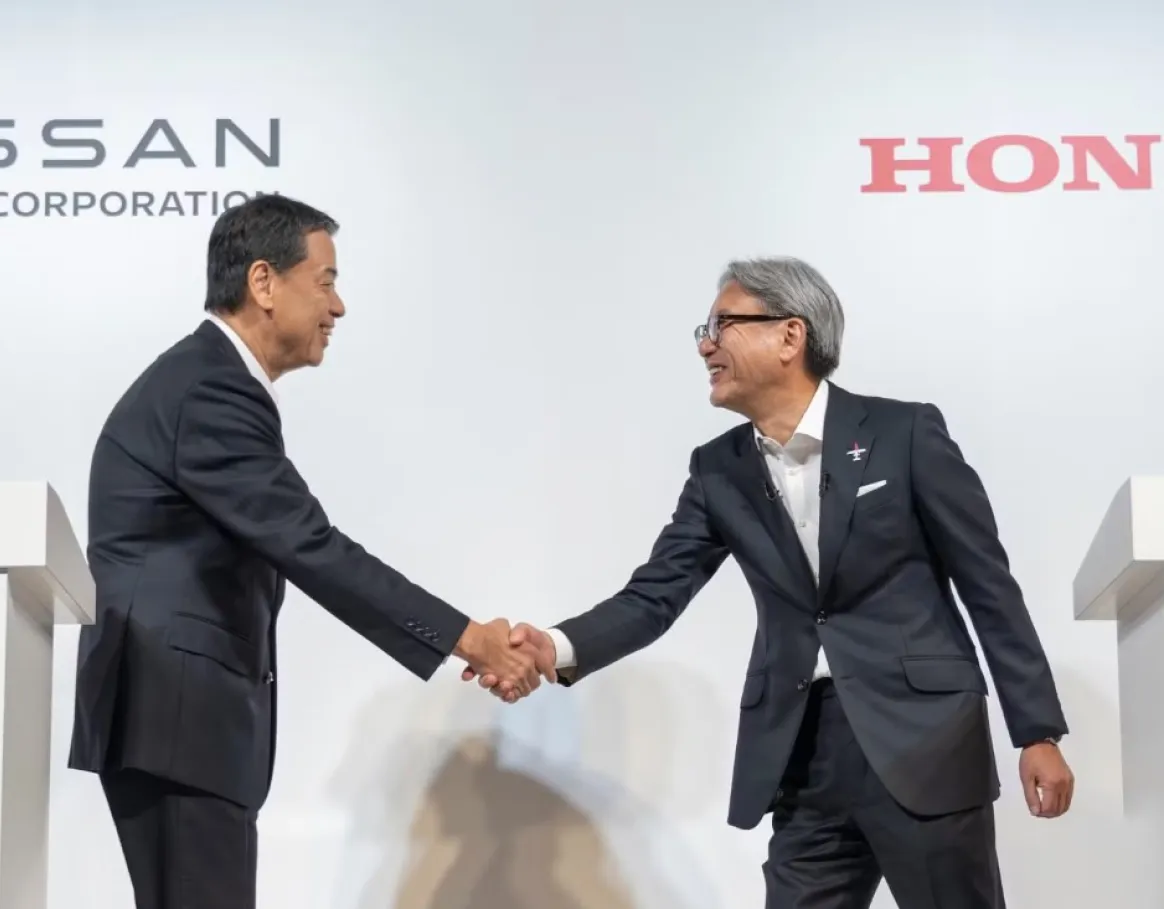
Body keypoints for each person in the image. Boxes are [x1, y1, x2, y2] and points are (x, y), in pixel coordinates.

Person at [467, 256, 1075, 907]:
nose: (705, 345)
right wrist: (554, 646)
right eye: (704, 330)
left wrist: (1036, 731)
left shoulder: (904, 433)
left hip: (924, 740)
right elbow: (654, 596)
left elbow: (988, 585)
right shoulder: (717, 470)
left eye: (721, 325)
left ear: (790, 335)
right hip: (801, 754)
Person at [68, 194, 549, 909]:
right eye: (326, 282)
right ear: (263, 282)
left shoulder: (206, 380)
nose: (339, 306)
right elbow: (311, 546)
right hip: (177, 721)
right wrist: (468, 638)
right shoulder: (209, 388)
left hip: (179, 724)